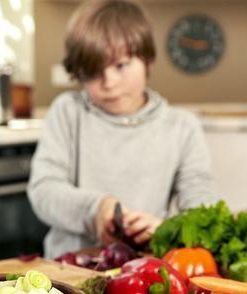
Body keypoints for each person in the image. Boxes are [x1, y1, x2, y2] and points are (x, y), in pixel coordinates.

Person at [27, 0, 218, 259]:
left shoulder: (182, 127)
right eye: (93, 72)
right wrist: (96, 209)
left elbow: (201, 207)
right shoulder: (67, 112)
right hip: (68, 267)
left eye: (121, 65)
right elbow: (44, 190)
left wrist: (166, 230)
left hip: (145, 268)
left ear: (148, 60)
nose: (109, 82)